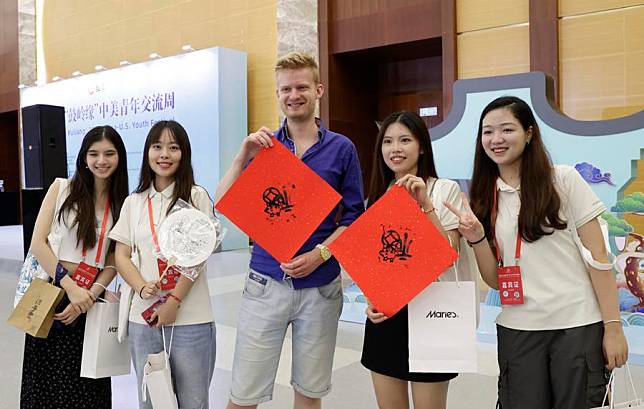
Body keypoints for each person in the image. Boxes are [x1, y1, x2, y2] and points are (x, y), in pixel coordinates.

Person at [444, 96, 629, 409]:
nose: (496, 139)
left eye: (507, 129)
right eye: (487, 132)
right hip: (518, 330)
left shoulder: (563, 180)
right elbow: (494, 280)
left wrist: (612, 328)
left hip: (577, 327)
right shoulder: (484, 196)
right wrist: (476, 239)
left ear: (529, 133)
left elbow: (599, 257)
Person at [214, 51, 365, 409]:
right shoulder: (264, 147)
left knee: (309, 393)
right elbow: (222, 203)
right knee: (242, 393)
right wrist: (242, 155)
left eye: (301, 87)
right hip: (265, 284)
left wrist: (320, 254)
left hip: (321, 289)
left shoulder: (342, 149)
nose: (293, 95)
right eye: (285, 89)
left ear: (318, 90)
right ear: (278, 94)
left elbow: (354, 218)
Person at [361, 111, 477, 409]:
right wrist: (371, 298)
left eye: (404, 140)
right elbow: (376, 262)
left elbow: (447, 252)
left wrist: (424, 205)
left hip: (433, 312)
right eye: (387, 141)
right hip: (387, 315)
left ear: (422, 146)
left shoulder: (443, 189)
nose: (395, 148)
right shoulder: (378, 195)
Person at [110, 120, 220, 409]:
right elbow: (121, 254)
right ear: (147, 152)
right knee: (151, 399)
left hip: (191, 317)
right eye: (157, 146)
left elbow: (199, 255)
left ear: (184, 154)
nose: (164, 154)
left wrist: (173, 300)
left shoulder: (196, 196)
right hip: (143, 317)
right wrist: (142, 286)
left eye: (173, 147)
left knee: (193, 401)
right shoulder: (134, 202)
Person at [21, 125, 129, 409]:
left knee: (87, 383)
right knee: (45, 382)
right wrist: (70, 287)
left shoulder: (123, 203)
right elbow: (38, 242)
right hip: (53, 291)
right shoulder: (62, 188)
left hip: (92, 299)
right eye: (93, 153)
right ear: (83, 157)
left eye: (109, 153)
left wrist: (89, 294)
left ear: (120, 158)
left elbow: (114, 259)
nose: (101, 161)